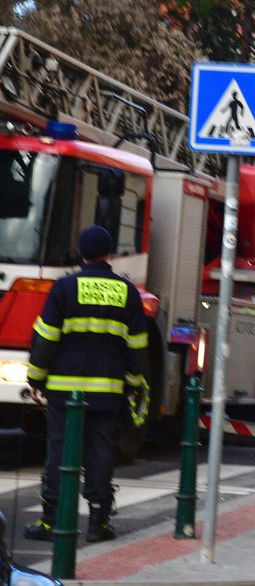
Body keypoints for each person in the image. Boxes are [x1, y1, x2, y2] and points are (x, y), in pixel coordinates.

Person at [25, 225, 148, 543]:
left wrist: (36, 378)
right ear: (109, 254)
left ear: (82, 253)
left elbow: (46, 338)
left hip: (64, 390)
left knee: (60, 451)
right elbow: (137, 346)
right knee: (100, 453)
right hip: (107, 392)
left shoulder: (64, 288)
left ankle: (51, 521)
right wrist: (133, 384)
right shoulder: (127, 292)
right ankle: (98, 524)